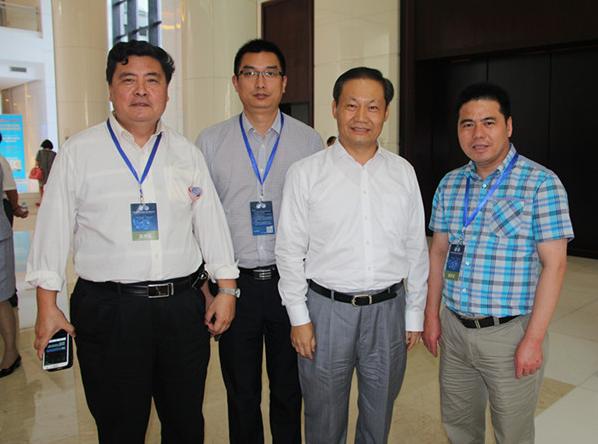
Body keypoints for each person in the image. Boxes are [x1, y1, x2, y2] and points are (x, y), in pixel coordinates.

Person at [26, 40, 239, 443]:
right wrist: (47, 306)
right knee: (119, 427)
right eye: (128, 80)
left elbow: (211, 224)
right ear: (110, 88)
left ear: (166, 91)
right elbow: (51, 230)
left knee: (185, 423)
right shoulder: (79, 152)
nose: (141, 90)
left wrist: (226, 289)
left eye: (152, 80)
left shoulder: (186, 153)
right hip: (110, 311)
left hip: (181, 309)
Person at [276, 67, 429, 443]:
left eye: (373, 107)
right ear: (334, 108)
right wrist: (299, 317)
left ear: (386, 113)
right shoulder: (306, 173)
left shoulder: (403, 173)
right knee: (323, 416)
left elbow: (415, 247)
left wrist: (414, 313)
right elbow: (289, 250)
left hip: (388, 311)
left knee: (379, 413)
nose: (362, 117)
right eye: (351, 105)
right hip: (326, 312)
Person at [423, 82, 574, 444]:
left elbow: (555, 266)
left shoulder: (541, 184)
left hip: (509, 333)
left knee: (512, 432)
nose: (478, 134)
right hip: (455, 328)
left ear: (508, 126)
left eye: (488, 122)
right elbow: (439, 252)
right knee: (459, 425)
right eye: (467, 124)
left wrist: (533, 340)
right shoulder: (450, 184)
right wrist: (431, 315)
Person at [196, 38, 322, 444]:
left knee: (289, 389)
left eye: (270, 73)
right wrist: (208, 289)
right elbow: (199, 221)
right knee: (241, 393)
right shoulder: (210, 142)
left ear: (284, 82)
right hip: (235, 287)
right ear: (236, 82)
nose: (260, 83)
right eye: (250, 73)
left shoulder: (309, 142)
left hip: (292, 285)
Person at [0, 147, 23, 378]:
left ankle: (10, 352)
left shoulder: (1, 162)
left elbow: (10, 189)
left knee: (1, 297)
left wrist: (15, 208)